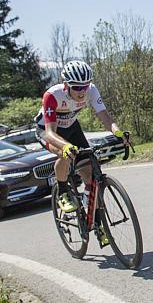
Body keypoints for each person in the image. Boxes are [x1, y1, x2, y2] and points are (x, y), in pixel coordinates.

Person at [35, 60, 128, 245]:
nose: (82, 91)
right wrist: (66, 146)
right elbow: (50, 133)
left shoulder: (91, 91)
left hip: (71, 128)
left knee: (90, 176)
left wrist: (118, 132)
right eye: (77, 87)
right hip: (48, 131)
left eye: (85, 86)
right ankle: (62, 190)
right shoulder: (52, 96)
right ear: (66, 85)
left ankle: (97, 223)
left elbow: (105, 118)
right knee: (66, 153)